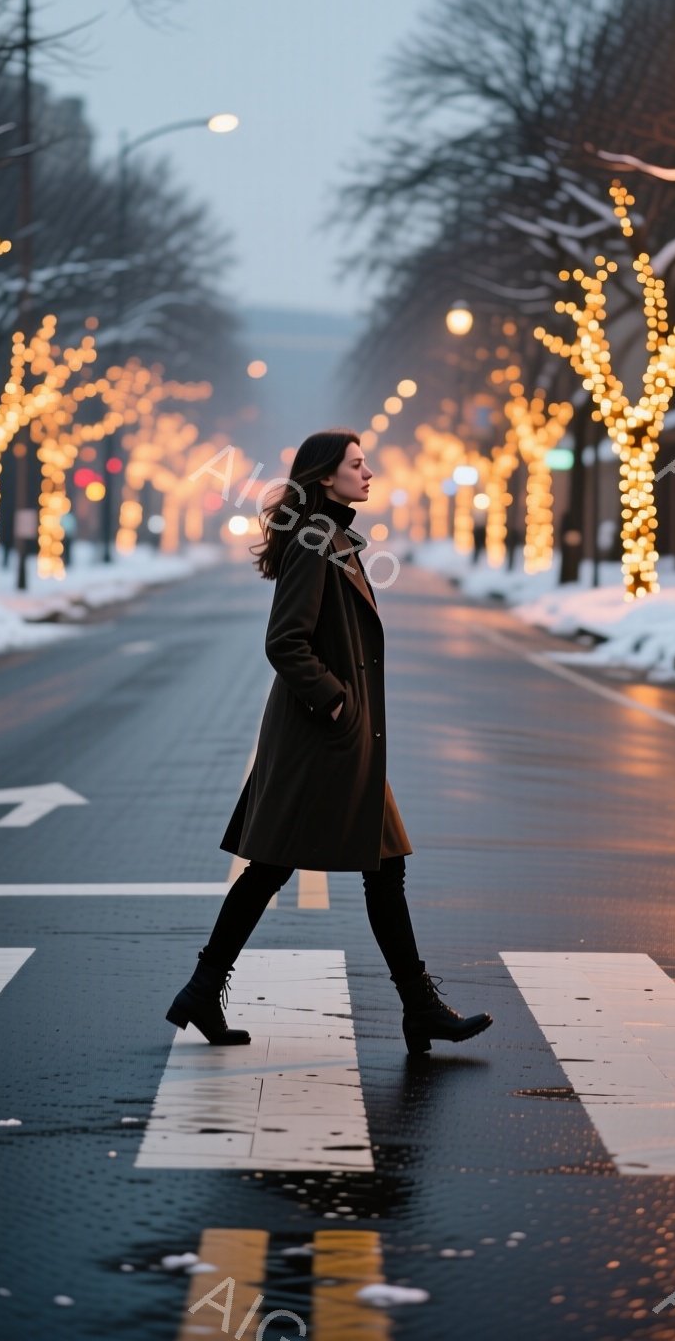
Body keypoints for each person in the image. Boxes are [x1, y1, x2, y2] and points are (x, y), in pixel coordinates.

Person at [166, 429, 494, 1057]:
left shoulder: (333, 535)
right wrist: (336, 698)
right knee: (275, 865)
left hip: (340, 737)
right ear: (325, 477)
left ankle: (414, 1005)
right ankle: (210, 988)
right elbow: (285, 640)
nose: (368, 473)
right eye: (356, 464)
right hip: (323, 736)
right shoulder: (318, 541)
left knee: (370, 866)